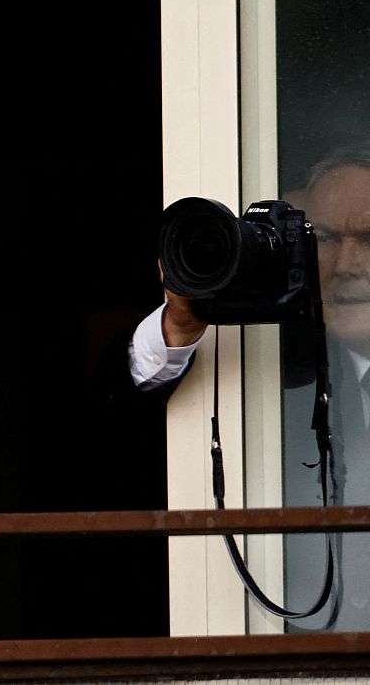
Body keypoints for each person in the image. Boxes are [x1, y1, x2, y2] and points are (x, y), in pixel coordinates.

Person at [123, 142, 370, 628]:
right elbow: (109, 432)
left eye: (369, 237)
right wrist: (181, 325)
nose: (346, 265)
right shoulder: (269, 369)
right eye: (322, 238)